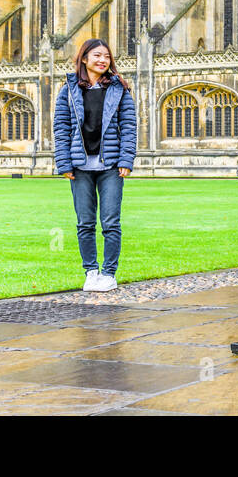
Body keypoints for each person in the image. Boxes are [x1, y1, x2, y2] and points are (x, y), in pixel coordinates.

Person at [53, 38, 137, 292]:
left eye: (107, 57)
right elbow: (61, 127)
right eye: (97, 55)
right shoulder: (68, 88)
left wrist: (126, 159)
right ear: (85, 58)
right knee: (85, 223)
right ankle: (91, 271)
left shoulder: (119, 88)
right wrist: (64, 162)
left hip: (110, 165)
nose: (103, 60)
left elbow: (129, 126)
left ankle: (109, 273)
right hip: (80, 166)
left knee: (111, 222)